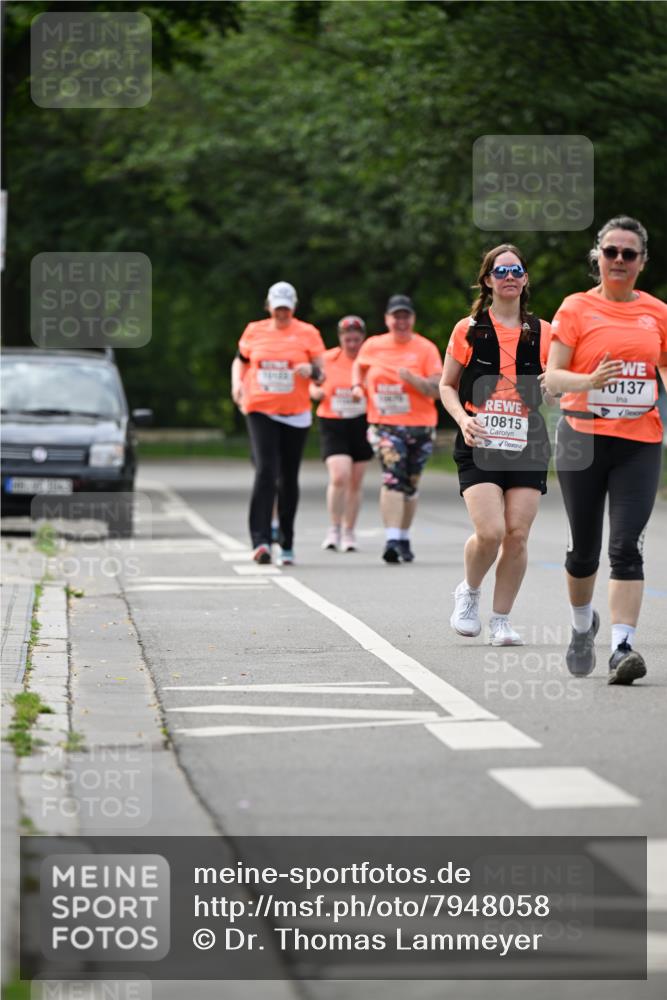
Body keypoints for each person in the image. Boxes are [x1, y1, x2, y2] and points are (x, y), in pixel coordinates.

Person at [546, 216, 667, 684]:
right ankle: (582, 627)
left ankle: (621, 648)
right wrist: (589, 381)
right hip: (582, 439)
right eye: (610, 251)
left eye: (628, 253)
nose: (618, 260)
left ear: (641, 262)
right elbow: (553, 378)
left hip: (639, 442)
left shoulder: (656, 312)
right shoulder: (576, 308)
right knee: (584, 551)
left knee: (626, 548)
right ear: (597, 256)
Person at [440, 245, 553, 646]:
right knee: (490, 531)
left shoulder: (544, 332)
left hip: (527, 440)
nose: (509, 276)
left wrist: (553, 387)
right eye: (500, 270)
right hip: (480, 438)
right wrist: (463, 419)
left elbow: (554, 392)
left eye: (516, 270)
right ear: (487, 280)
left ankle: (501, 620)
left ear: (524, 280)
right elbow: (446, 385)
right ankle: (469, 592)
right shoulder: (468, 328)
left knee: (517, 534)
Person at [231, 281, 325, 566]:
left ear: (293, 307)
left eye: (286, 308)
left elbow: (323, 374)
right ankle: (260, 541)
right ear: (269, 306)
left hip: (295, 413)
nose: (281, 313)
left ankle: (286, 541)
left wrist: (310, 370)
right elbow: (240, 360)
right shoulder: (254, 330)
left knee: (288, 478)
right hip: (260, 407)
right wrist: (236, 383)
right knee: (265, 471)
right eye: (277, 308)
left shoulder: (307, 333)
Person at [351, 295, 442, 563]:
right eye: (396, 317)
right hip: (385, 425)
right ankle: (391, 539)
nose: (401, 322)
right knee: (392, 477)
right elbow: (359, 365)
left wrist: (413, 380)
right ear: (387, 319)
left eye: (406, 316)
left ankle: (403, 537)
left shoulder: (425, 349)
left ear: (412, 319)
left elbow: (437, 390)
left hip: (421, 426)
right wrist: (357, 386)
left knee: (410, 485)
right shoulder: (374, 345)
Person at [310, 315, 373, 552]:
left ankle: (349, 531)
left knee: (355, 481)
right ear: (340, 338)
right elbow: (312, 382)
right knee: (339, 476)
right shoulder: (327, 359)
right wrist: (315, 393)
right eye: (348, 339)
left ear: (363, 339)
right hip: (333, 421)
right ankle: (334, 527)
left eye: (357, 339)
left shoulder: (369, 361)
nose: (353, 344)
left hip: (362, 421)